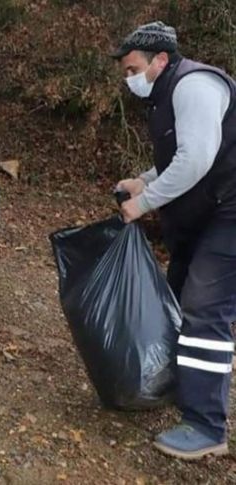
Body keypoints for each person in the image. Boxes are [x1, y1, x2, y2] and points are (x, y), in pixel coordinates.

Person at [113, 21, 236, 459]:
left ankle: (206, 426)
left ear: (160, 60)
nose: (129, 79)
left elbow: (197, 158)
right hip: (208, 209)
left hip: (230, 210)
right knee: (180, 292)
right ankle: (184, 386)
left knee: (204, 305)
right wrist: (142, 180)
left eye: (133, 69)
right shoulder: (166, 94)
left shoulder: (195, 86)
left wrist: (143, 203)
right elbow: (178, 156)